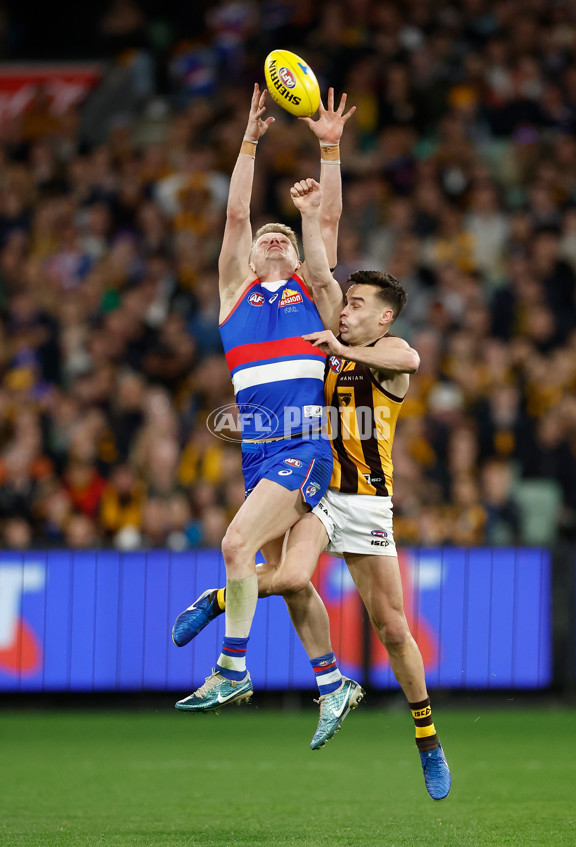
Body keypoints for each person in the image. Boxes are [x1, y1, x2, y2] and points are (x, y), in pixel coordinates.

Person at [173, 179, 452, 800]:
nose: (344, 310)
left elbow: (409, 363)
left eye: (358, 306)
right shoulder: (319, 347)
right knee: (294, 577)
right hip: (319, 490)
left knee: (393, 629)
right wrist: (247, 421)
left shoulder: (389, 352)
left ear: (381, 318)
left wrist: (348, 346)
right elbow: (296, 390)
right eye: (344, 303)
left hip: (369, 503)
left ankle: (427, 740)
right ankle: (320, 678)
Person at [173, 86, 366, 748]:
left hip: (307, 444)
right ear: (248, 258)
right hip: (261, 452)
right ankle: (334, 680)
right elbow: (233, 215)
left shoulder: (316, 293)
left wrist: (329, 150)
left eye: (281, 233)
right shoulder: (235, 294)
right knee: (287, 581)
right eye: (266, 236)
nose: (273, 236)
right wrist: (249, 140)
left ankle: (231, 667)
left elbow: (328, 226)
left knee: (234, 546)